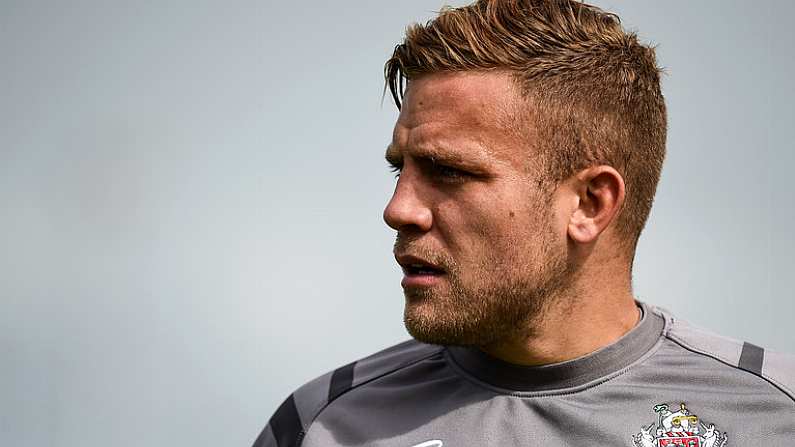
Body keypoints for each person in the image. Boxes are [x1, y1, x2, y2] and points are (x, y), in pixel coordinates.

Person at [253, 1, 795, 446]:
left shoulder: (771, 415)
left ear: (590, 204)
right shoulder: (320, 425)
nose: (399, 209)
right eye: (402, 168)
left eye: (448, 171)